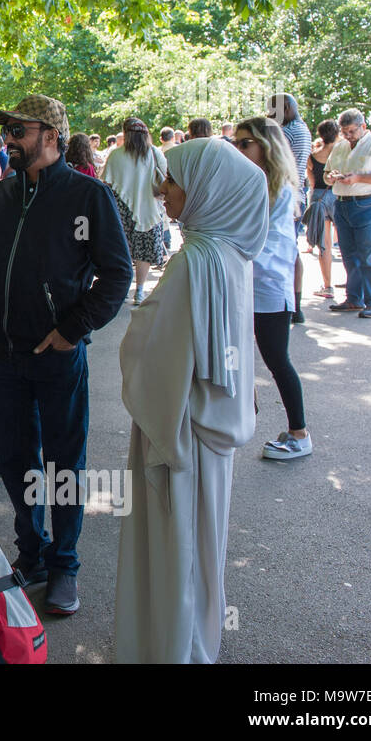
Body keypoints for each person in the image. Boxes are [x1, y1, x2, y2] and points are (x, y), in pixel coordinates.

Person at [0, 93, 131, 615]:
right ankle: (30, 555)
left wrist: (71, 329)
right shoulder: (4, 195)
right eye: (7, 131)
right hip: (4, 354)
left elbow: (117, 273)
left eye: (19, 131)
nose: (9, 140)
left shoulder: (88, 196)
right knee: (15, 458)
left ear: (51, 135)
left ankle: (64, 565)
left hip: (57, 356)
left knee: (63, 463)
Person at [115, 137, 269, 663]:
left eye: (173, 181)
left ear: (207, 187)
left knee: (176, 544)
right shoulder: (230, 252)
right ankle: (190, 645)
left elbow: (155, 348)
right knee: (202, 547)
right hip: (211, 429)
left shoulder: (195, 259)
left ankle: (169, 650)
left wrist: (142, 319)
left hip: (180, 428)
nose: (162, 191)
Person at [232, 118, 313, 461]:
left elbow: (264, 242)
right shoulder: (255, 181)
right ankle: (239, 412)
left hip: (267, 287)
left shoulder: (274, 187)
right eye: (235, 143)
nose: (238, 149)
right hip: (250, 282)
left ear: (266, 146)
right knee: (235, 350)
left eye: (245, 143)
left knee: (277, 359)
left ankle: (300, 433)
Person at [325, 109, 371, 319]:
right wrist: (331, 177)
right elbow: (327, 172)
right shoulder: (339, 146)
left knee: (369, 254)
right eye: (344, 132)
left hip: (369, 203)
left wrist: (358, 178)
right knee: (348, 254)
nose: (347, 136)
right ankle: (353, 298)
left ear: (363, 126)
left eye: (351, 131)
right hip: (342, 203)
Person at [102, 117, 168, 306]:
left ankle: (123, 289)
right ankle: (139, 291)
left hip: (121, 208)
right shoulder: (155, 153)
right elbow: (165, 178)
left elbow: (106, 182)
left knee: (124, 251)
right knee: (143, 253)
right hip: (149, 207)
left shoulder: (116, 155)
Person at [268, 93, 311, 323]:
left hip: (285, 196)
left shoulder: (285, 132)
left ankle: (288, 303)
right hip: (296, 194)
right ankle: (295, 304)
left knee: (285, 250)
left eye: (271, 111)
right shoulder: (302, 129)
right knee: (290, 249)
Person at [303, 120, 340, 298]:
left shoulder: (313, 155)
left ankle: (327, 286)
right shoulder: (342, 151)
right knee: (347, 242)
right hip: (340, 194)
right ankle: (353, 286)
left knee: (324, 245)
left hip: (320, 196)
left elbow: (311, 181)